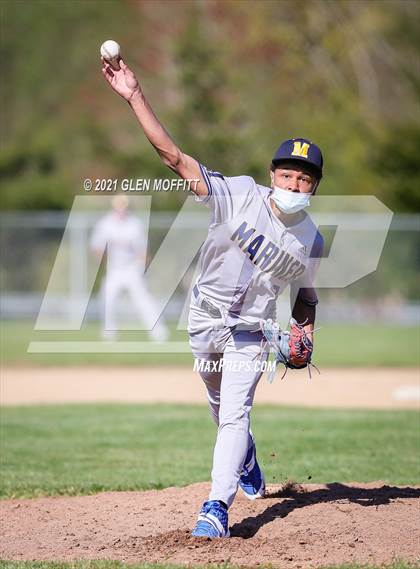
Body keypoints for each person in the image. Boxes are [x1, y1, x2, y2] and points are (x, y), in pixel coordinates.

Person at [101, 56, 323, 538]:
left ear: (314, 187)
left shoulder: (311, 239)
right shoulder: (238, 194)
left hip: (252, 331)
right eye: (288, 175)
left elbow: (306, 295)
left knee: (236, 410)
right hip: (204, 317)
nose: (294, 184)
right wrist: (135, 96)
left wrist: (304, 329)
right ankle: (246, 456)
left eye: (305, 179)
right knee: (218, 402)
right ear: (272, 175)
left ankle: (216, 507)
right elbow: (174, 158)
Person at [90, 194, 169, 342]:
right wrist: (105, 263)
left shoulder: (134, 224)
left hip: (132, 268)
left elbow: (142, 251)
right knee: (107, 298)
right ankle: (109, 333)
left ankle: (159, 332)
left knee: (143, 300)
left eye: (123, 206)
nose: (121, 210)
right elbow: (96, 247)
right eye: (118, 206)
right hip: (114, 268)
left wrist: (142, 269)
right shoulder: (105, 224)